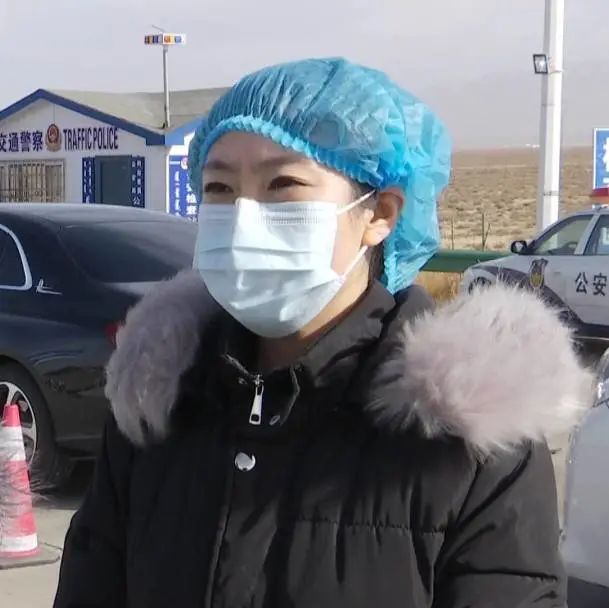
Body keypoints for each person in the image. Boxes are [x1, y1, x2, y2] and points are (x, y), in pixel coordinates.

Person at [54, 58, 591, 608]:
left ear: (380, 213)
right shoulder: (159, 400)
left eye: (283, 183)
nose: (243, 216)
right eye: (218, 186)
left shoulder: (471, 442)